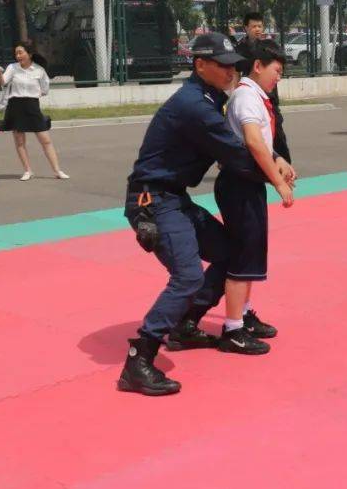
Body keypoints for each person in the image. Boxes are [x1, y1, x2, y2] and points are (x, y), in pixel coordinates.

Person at [118, 32, 296, 396]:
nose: (232, 71)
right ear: (200, 65)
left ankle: (185, 325)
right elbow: (235, 152)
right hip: (152, 201)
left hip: (174, 197)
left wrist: (276, 160)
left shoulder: (211, 98)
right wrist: (277, 175)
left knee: (229, 253)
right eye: (224, 65)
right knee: (186, 276)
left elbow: (240, 145)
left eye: (235, 64)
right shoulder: (194, 106)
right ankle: (139, 359)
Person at [216, 39, 295, 354]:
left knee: (250, 255)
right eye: (276, 70)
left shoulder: (255, 96)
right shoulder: (247, 97)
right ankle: (232, 329)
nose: (279, 76)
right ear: (258, 66)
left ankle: (244, 315)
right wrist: (278, 182)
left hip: (247, 184)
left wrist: (279, 160)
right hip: (238, 185)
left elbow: (262, 142)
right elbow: (252, 141)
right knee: (242, 256)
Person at [0, 41, 67, 181]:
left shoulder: (39, 70)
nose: (18, 56)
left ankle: (57, 171)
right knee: (20, 141)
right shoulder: (12, 68)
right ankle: (27, 170)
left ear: (29, 54)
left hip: (32, 106)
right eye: (16, 53)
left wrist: (33, 95)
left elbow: (45, 90)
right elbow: (2, 82)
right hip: (15, 106)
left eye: (21, 52)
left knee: (45, 140)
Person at [236, 12, 290, 162]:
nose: (257, 29)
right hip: (251, 96)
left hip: (269, 97)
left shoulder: (269, 47)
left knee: (277, 130)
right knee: (252, 132)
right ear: (246, 28)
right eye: (253, 26)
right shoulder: (240, 49)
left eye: (260, 26)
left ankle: (283, 161)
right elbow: (236, 73)